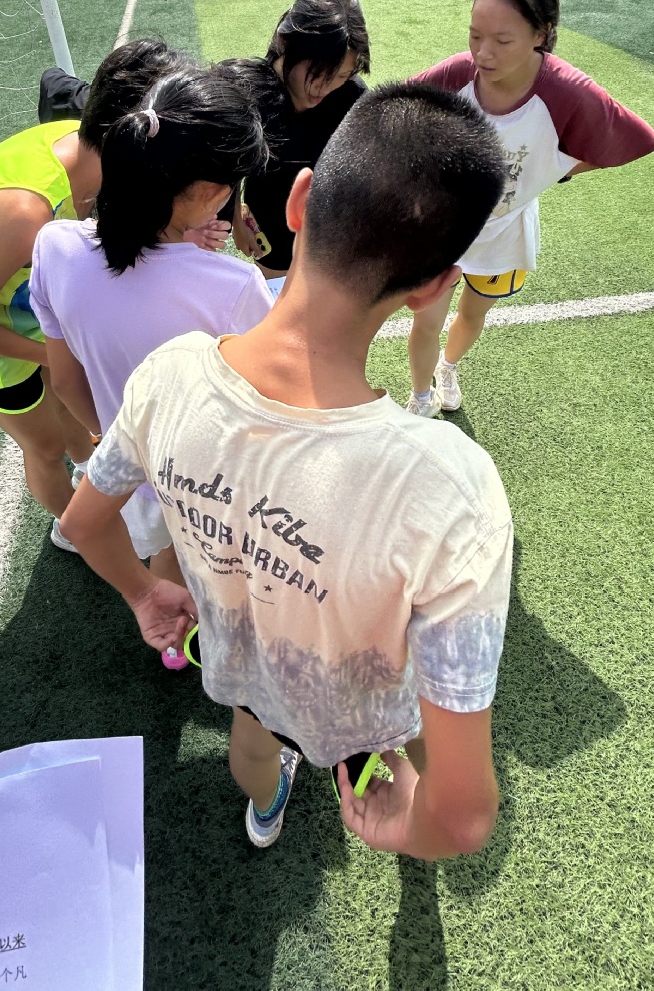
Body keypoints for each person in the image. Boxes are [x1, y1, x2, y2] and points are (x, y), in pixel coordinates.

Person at [58, 82, 515, 859]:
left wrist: (141, 593)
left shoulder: (169, 374)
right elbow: (462, 819)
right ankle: (371, 784)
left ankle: (265, 809)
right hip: (369, 714)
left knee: (252, 750)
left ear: (298, 201)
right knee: (411, 749)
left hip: (245, 679)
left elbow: (82, 523)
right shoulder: (449, 486)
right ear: (434, 287)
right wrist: (409, 824)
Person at [0, 38, 213, 541]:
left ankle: (85, 467)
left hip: (25, 310)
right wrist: (54, 353)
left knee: (70, 405)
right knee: (45, 445)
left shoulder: (84, 150)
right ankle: (78, 532)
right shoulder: (24, 213)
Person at [29, 66, 272, 635]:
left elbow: (64, 381)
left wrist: (117, 440)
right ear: (214, 193)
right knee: (213, 562)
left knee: (165, 552)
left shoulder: (54, 246)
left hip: (130, 478)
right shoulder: (235, 288)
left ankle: (173, 630)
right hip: (211, 485)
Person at [405, 0, 654, 417]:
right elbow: (394, 112)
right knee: (426, 319)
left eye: (502, 41)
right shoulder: (456, 75)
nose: (483, 54)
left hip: (506, 232)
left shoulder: (567, 91)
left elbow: (635, 139)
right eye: (475, 36)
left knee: (473, 315)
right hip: (443, 229)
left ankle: (448, 367)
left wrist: (558, 170)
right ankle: (420, 398)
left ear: (541, 33)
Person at [218, 0, 370, 291]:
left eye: (341, 75)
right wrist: (236, 219)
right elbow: (226, 171)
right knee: (278, 302)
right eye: (318, 72)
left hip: (329, 236)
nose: (324, 88)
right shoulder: (245, 94)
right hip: (272, 233)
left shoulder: (351, 97)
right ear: (286, 43)